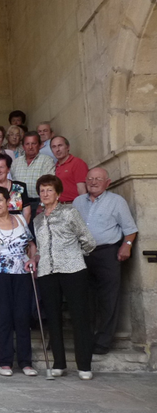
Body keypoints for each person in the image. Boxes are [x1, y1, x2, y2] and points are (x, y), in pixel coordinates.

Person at [34, 174, 96, 379]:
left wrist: (75, 255)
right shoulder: (37, 219)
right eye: (42, 191)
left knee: (80, 316)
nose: (45, 194)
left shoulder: (70, 212)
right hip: (47, 271)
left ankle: (84, 365)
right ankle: (59, 363)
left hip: (73, 269)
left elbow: (88, 240)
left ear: (58, 193)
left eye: (49, 190)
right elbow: (41, 246)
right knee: (53, 317)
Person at [73, 168, 138, 355]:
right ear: (85, 181)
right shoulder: (78, 202)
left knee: (108, 298)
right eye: (90, 179)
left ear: (107, 182)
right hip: (83, 254)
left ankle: (103, 341)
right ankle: (88, 337)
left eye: (98, 179)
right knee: (86, 298)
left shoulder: (117, 202)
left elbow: (130, 229)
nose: (93, 182)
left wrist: (127, 245)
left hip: (108, 253)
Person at [0, 187, 39, 376]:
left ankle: (25, 362)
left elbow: (31, 244)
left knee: (22, 316)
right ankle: (5, 361)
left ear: (7, 201)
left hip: (21, 272)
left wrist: (33, 258)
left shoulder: (20, 219)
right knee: (4, 315)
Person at [11, 131, 55, 214]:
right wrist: (14, 207)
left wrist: (42, 204)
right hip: (19, 204)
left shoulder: (47, 161)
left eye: (33, 143)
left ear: (39, 145)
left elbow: (49, 184)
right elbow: (14, 185)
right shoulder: (16, 162)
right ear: (23, 146)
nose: (30, 147)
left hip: (38, 203)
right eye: (27, 144)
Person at [0, 153, 31, 222]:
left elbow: (27, 212)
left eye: (2, 167)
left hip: (18, 227)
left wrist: (22, 228)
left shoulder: (19, 187)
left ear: (8, 169)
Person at [51, 136, 88, 203]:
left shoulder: (77, 163)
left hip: (74, 204)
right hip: (60, 206)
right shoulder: (54, 166)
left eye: (60, 145)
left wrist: (83, 206)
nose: (57, 149)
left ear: (68, 147)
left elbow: (82, 190)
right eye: (54, 147)